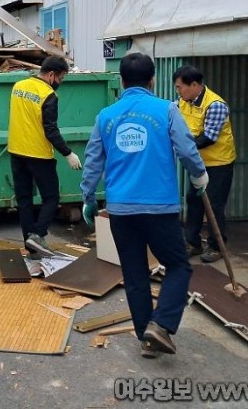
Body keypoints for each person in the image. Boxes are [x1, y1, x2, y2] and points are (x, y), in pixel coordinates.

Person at [80, 52, 208, 358]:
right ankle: (160, 325)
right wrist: (199, 176)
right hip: (159, 208)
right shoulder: (167, 110)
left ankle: (146, 336)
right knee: (178, 265)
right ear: (152, 80)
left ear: (122, 81)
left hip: (121, 210)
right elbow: (187, 149)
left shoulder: (106, 116)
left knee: (135, 273)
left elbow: (93, 161)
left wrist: (87, 197)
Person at [7, 56, 82, 258]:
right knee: (51, 197)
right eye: (62, 78)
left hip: (16, 152)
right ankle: (38, 235)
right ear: (51, 75)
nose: (61, 82)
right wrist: (68, 153)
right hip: (38, 155)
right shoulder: (49, 95)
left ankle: (30, 248)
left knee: (24, 200)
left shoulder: (18, 86)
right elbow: (50, 130)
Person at [173, 65, 236, 264]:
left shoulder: (215, 105)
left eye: (179, 87)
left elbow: (208, 137)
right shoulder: (184, 102)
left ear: (194, 85)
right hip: (198, 161)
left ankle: (217, 246)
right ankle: (193, 243)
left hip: (219, 163)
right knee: (194, 201)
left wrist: (180, 147)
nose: (178, 91)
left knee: (214, 205)